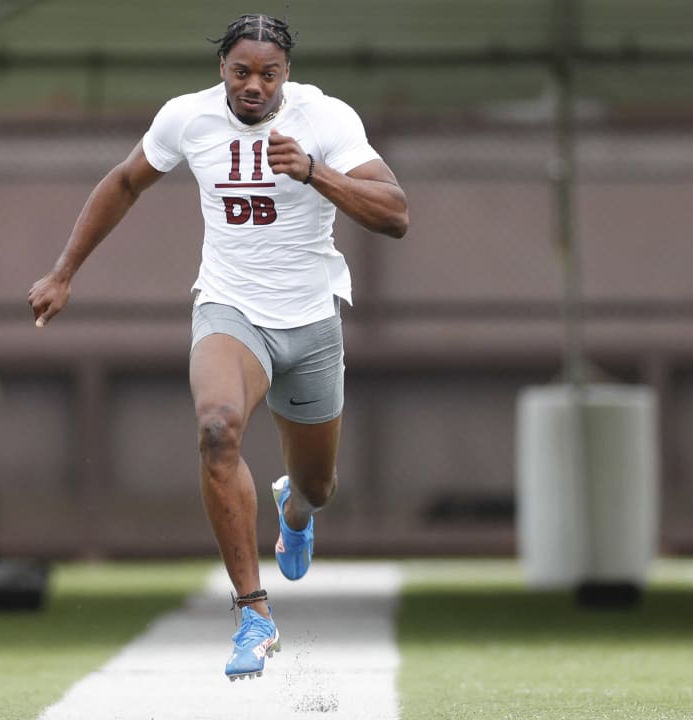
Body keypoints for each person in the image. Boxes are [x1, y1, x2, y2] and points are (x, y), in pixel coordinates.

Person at [26, 13, 408, 680]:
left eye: (269, 74)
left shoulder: (326, 120)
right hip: (230, 307)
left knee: (319, 485)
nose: (254, 85)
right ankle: (254, 615)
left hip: (313, 318)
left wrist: (315, 173)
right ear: (222, 71)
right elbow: (123, 183)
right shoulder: (188, 119)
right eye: (241, 72)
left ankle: (296, 508)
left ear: (287, 74)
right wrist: (63, 272)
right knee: (215, 429)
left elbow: (396, 213)